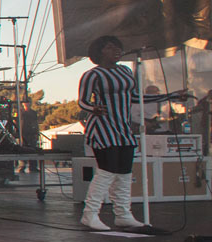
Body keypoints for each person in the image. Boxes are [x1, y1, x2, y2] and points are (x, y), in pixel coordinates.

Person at [77, 35, 185, 231]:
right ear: (99, 52)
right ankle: (90, 214)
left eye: (118, 47)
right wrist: (94, 108)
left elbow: (136, 97)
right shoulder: (92, 75)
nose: (116, 50)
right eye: (110, 47)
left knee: (124, 172)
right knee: (106, 171)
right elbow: (82, 101)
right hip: (103, 127)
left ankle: (123, 214)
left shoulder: (125, 71)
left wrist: (171, 95)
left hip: (123, 127)